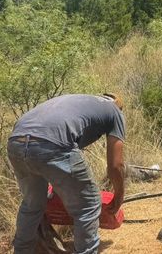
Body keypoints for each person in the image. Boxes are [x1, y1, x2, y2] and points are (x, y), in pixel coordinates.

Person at [7, 93, 126, 254]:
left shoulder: (80, 101)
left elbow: (59, 164)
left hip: (15, 143)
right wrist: (119, 195)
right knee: (89, 204)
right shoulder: (115, 111)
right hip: (52, 144)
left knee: (32, 204)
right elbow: (116, 165)